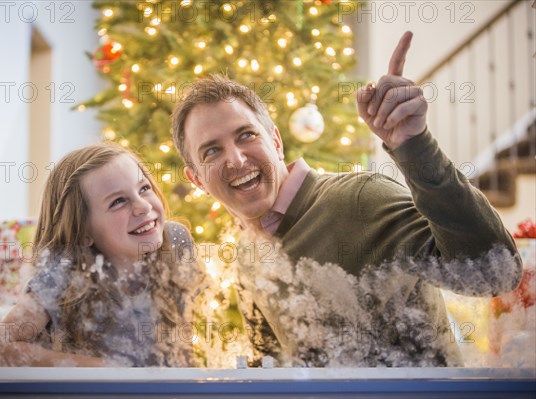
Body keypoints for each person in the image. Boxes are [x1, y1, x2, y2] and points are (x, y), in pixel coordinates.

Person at [171, 32, 523, 366]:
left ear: (276, 141)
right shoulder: (248, 253)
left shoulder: (360, 198)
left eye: (246, 135)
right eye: (212, 150)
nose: (235, 159)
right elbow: (273, 365)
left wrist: (415, 145)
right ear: (197, 180)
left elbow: (495, 273)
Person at [0, 142, 205, 367]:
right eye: (118, 201)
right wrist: (112, 371)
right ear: (83, 231)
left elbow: (182, 345)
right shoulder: (67, 268)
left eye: (144, 188)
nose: (143, 207)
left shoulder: (175, 241)